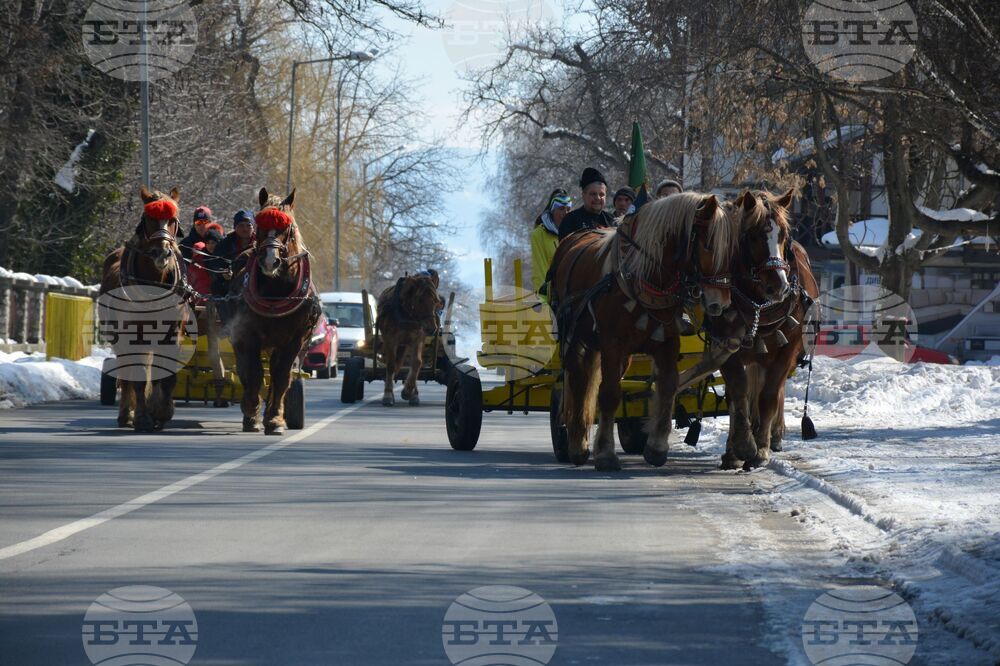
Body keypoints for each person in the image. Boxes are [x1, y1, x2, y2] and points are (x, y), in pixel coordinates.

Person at [530, 189, 572, 300]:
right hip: (552, 297)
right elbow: (540, 270)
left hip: (572, 295)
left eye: (568, 209)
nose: (565, 213)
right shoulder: (539, 234)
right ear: (553, 210)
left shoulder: (573, 233)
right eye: (561, 209)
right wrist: (544, 299)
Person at [558, 167, 616, 240]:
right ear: (583, 195)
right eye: (593, 194)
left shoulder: (612, 221)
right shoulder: (570, 221)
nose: (598, 198)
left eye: (601, 194)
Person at [210, 209, 256, 297]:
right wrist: (222, 273)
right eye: (241, 225)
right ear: (235, 227)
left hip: (254, 284)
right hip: (229, 286)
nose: (245, 229)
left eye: (248, 225)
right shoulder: (224, 244)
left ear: (253, 227)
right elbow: (214, 264)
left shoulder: (260, 243)